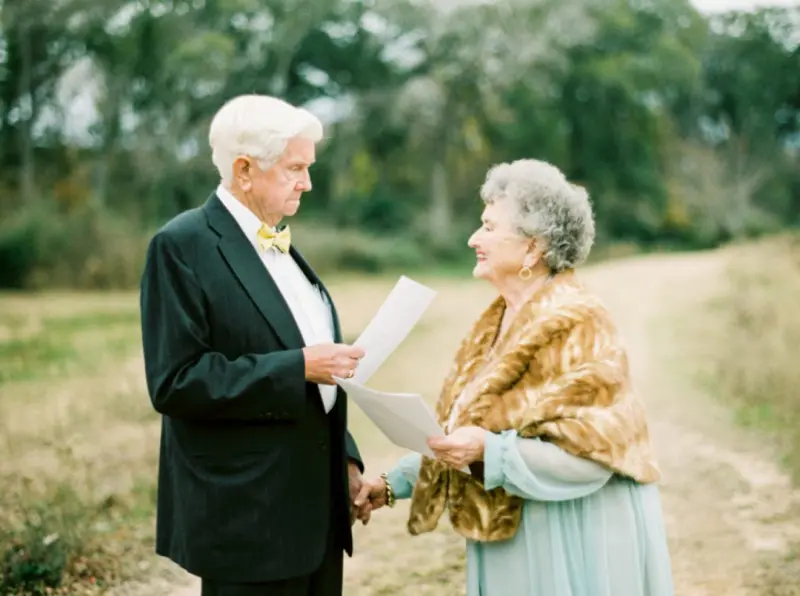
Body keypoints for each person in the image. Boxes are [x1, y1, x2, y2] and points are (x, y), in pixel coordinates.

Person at [356, 159, 675, 595]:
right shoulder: (498, 321)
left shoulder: (579, 322)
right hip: (518, 528)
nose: (473, 238)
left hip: (573, 533)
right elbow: (464, 434)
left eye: (488, 227)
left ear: (532, 248)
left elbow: (594, 459)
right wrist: (394, 484)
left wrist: (490, 451)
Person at [139, 94, 370, 596]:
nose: (308, 182)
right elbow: (175, 381)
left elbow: (314, 364)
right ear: (244, 170)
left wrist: (345, 457)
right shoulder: (181, 246)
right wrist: (297, 367)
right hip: (248, 519)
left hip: (317, 514)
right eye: (295, 168)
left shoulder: (280, 242)